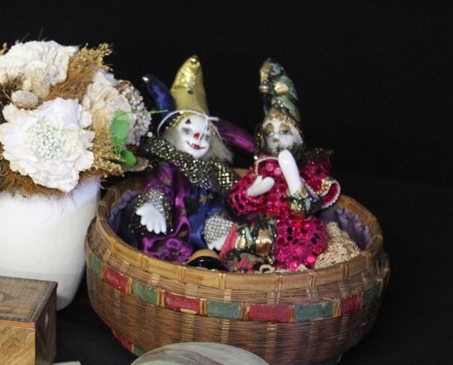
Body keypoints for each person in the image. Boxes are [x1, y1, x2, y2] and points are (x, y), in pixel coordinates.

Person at [210, 60, 340, 271]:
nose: (277, 139)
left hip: (298, 230)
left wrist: (293, 179)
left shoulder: (310, 167)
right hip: (262, 228)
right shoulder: (261, 166)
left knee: (304, 245)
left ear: (299, 138)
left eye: (285, 132)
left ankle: (285, 276)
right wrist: (253, 190)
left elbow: (308, 209)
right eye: (271, 133)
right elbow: (236, 203)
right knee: (240, 241)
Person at [129, 56, 252, 265]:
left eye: (205, 136)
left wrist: (219, 225)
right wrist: (153, 205)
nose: (198, 139)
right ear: (174, 133)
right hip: (172, 232)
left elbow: (218, 201)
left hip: (204, 237)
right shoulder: (168, 166)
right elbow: (159, 186)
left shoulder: (211, 170)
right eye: (188, 131)